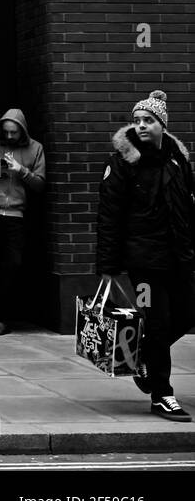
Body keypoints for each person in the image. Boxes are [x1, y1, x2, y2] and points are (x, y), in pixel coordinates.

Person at [97, 90, 195, 422]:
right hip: (143, 262)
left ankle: (141, 357)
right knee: (157, 322)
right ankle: (162, 395)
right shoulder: (121, 163)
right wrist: (108, 265)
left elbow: (189, 208)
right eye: (136, 120)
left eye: (148, 120)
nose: (140, 125)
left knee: (187, 313)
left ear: (162, 125)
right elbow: (109, 216)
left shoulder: (177, 160)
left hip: (178, 258)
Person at [0, 109, 47, 335]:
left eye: (14, 132)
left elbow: (40, 184)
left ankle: (1, 318)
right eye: (5, 132)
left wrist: (21, 170)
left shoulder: (35, 149)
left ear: (22, 130)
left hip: (14, 214)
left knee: (11, 265)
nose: (9, 136)